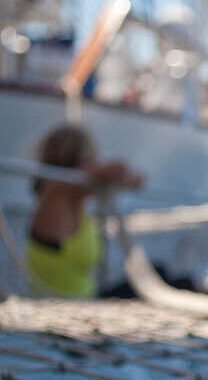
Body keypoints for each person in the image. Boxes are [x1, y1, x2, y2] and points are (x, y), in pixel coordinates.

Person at [26, 124, 144, 298]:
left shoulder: (68, 200)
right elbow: (118, 169)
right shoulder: (56, 194)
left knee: (164, 273)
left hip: (88, 300)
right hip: (66, 309)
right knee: (175, 284)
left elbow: (138, 180)